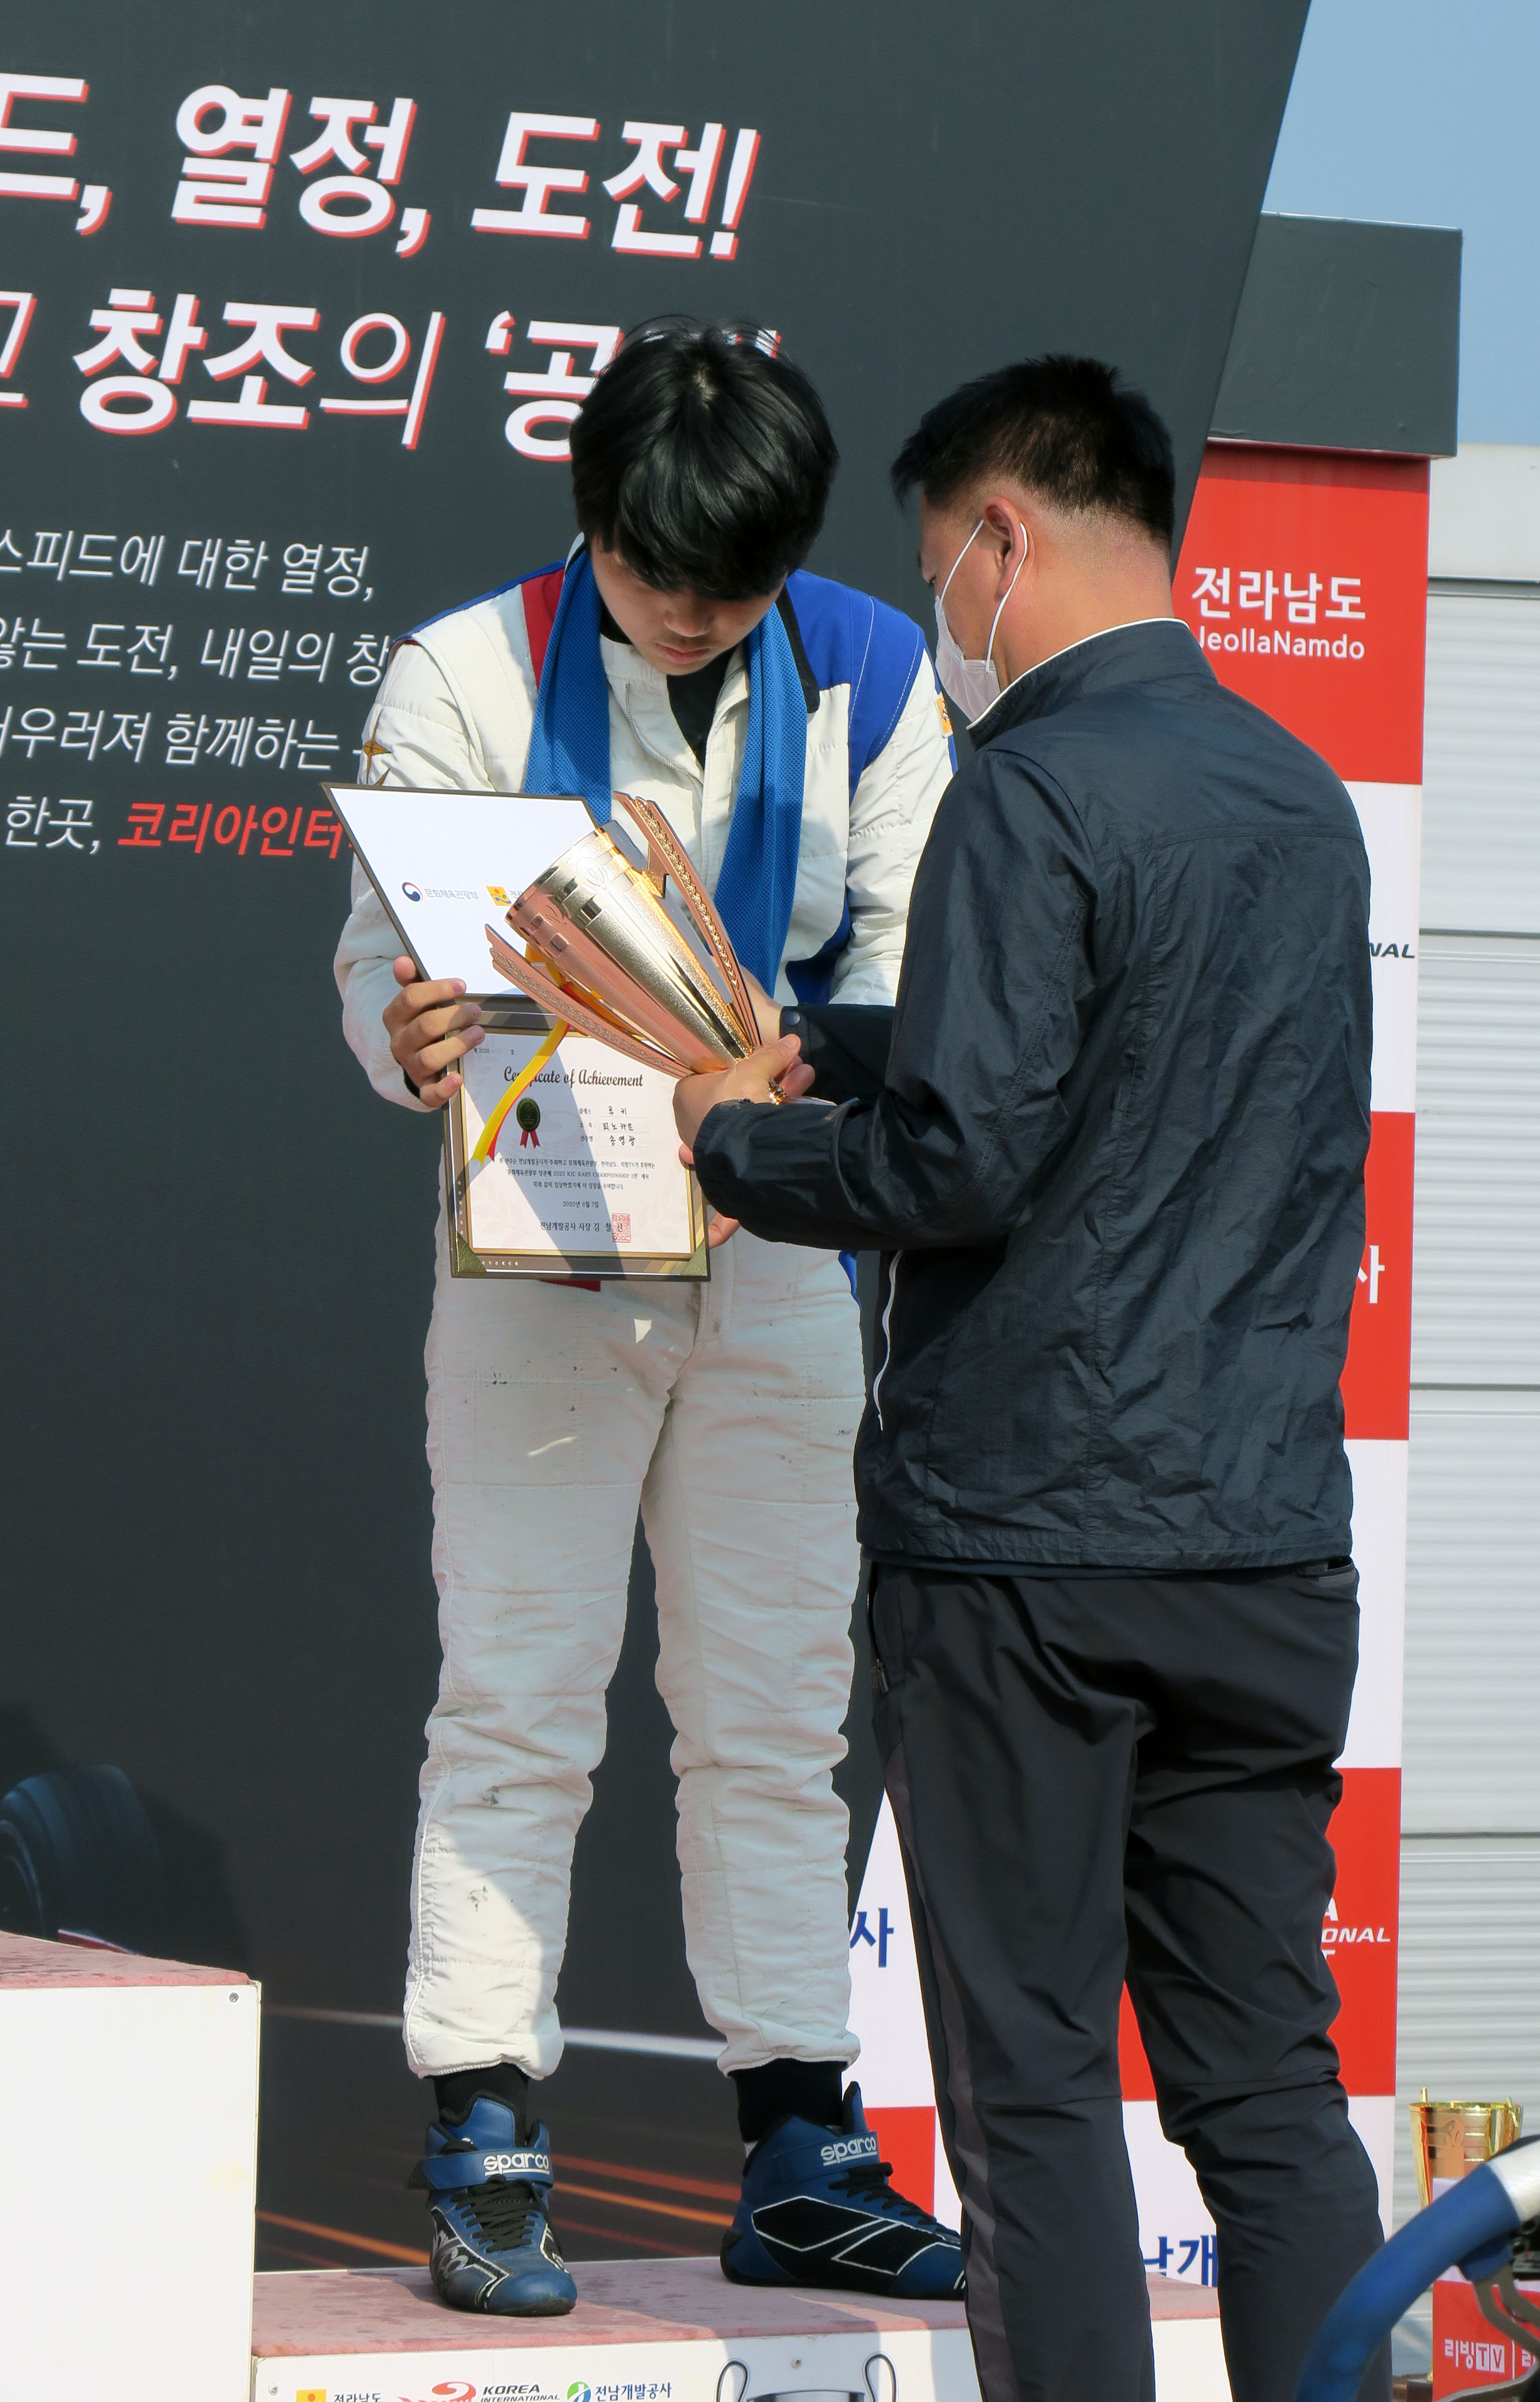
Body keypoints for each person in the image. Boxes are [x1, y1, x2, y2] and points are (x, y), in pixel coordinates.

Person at [673, 355, 1385, 2402]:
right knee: (1268, 2085)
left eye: (938, 572)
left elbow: (960, 1162)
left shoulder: (1034, 787)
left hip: (1028, 1555)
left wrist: (737, 1138)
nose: (944, 621)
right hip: (1262, 1552)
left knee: (1038, 2086)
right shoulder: (1302, 796)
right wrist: (852, 1041)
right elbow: (1122, 1076)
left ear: (1001, 539)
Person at [333, 318, 963, 2316]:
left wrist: (793, 1070)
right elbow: (376, 964)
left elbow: (910, 967)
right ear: (589, 515)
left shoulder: (872, 670)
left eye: (735, 589)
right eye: (654, 575)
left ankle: (800, 2143)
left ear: (794, 560)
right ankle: (484, 2131)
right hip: (537, 1243)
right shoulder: (465, 670)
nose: (690, 618)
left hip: (777, 1241)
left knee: (773, 1711)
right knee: (517, 1695)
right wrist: (404, 1038)